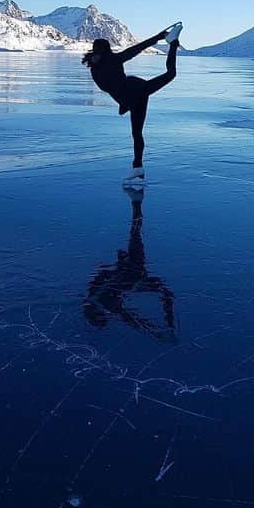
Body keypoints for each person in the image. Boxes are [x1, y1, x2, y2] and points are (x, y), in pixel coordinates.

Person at [83, 22, 183, 185]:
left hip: (130, 98)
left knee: (137, 133)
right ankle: (173, 43)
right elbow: (136, 49)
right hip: (138, 92)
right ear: (107, 49)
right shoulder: (113, 60)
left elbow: (110, 85)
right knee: (171, 73)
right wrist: (158, 37)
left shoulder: (94, 68)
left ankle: (138, 167)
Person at [83, 188, 176, 343]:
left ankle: (136, 203)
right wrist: (155, 332)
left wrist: (156, 332)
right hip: (132, 273)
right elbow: (131, 319)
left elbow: (131, 319)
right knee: (135, 232)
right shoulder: (98, 299)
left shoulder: (103, 301)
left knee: (135, 232)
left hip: (133, 271)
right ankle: (136, 203)